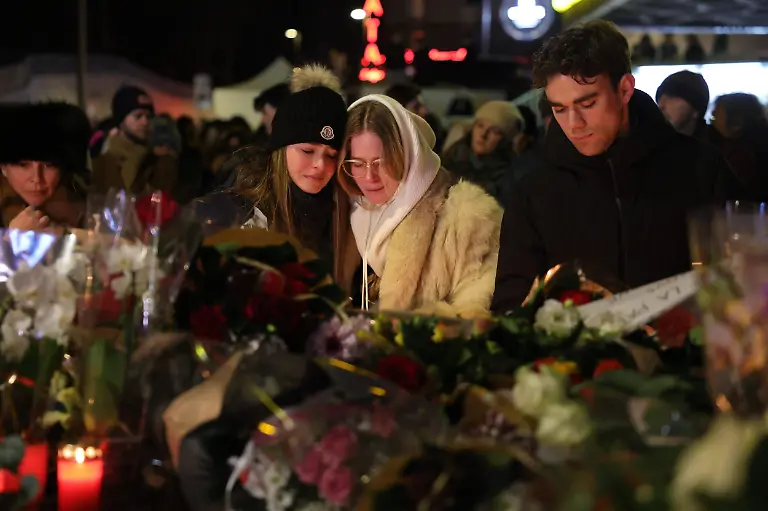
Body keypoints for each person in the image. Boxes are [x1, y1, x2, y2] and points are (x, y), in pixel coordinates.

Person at [491, 21, 740, 313]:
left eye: (588, 103)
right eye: (559, 108)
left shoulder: (700, 167)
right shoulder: (534, 188)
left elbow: (739, 277)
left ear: (624, 89)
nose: (574, 124)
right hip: (572, 357)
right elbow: (511, 306)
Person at [339, 94, 502, 318]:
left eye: (381, 162)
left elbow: (477, 309)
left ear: (408, 155)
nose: (369, 176)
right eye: (357, 163)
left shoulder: (468, 218)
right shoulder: (348, 213)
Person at [234, 64, 359, 292]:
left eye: (332, 155)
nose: (320, 165)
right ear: (281, 150)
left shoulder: (348, 211)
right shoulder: (244, 212)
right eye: (307, 151)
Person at [0, 102, 90, 229]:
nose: (37, 179)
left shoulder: (83, 206)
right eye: (23, 165)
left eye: (49, 165)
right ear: (3, 167)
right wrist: (12, 240)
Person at [91, 86, 179, 196]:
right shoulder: (103, 154)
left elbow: (158, 199)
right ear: (121, 119)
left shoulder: (157, 157)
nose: (145, 122)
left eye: (148, 116)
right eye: (138, 116)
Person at [441, 100, 524, 203]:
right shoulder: (449, 162)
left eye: (494, 131)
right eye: (480, 125)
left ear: (505, 140)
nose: (483, 134)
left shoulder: (513, 178)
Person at [656, 70, 710, 139]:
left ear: (696, 109)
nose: (660, 105)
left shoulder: (714, 148)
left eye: (671, 97)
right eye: (659, 99)